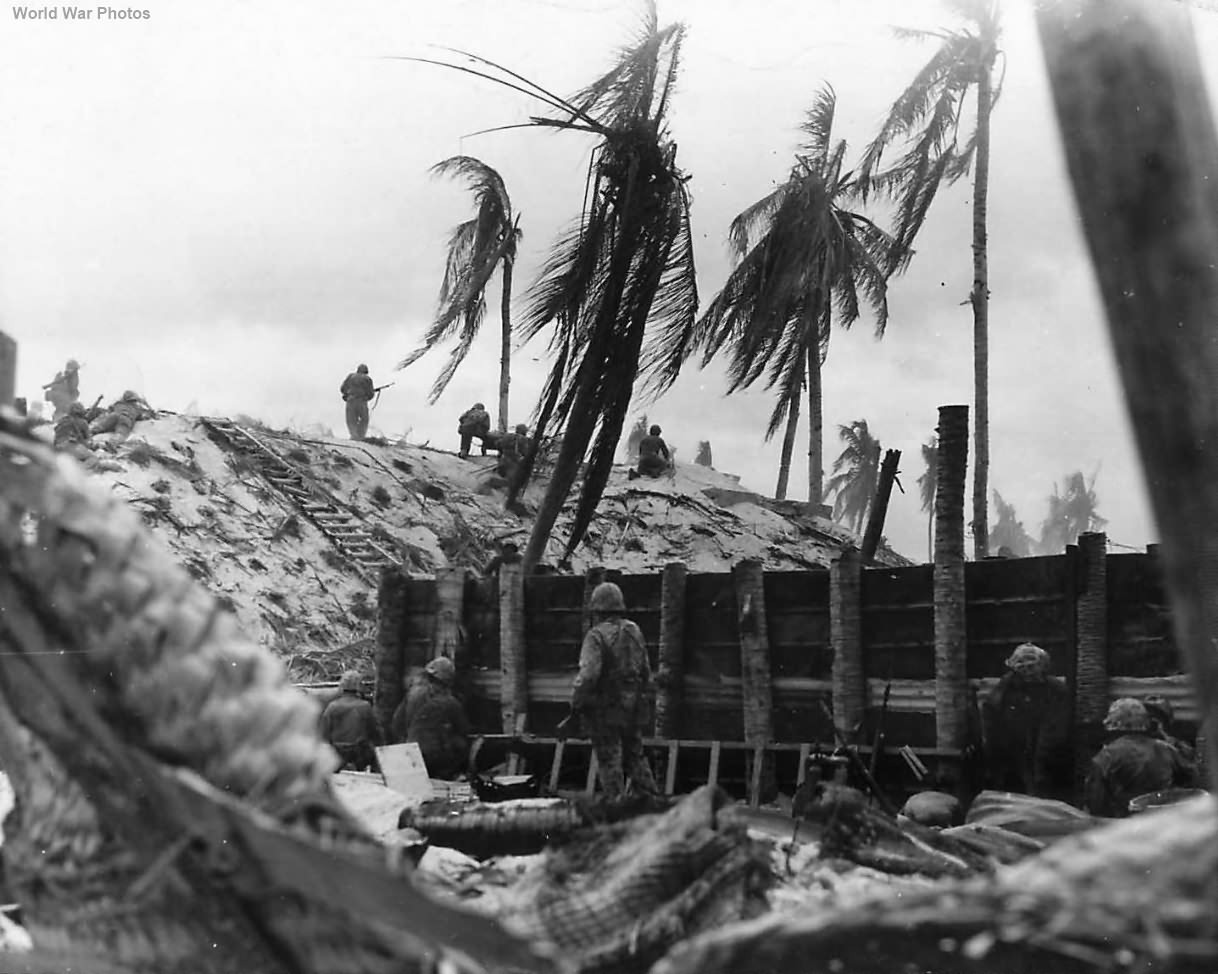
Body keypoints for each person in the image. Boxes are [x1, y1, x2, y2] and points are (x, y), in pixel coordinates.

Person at [571, 581, 658, 800]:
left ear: (597, 609)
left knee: (610, 760)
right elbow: (646, 671)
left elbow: (588, 676)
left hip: (605, 710)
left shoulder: (596, 636)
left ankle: (616, 807)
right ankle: (653, 804)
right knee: (636, 757)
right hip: (633, 707)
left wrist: (577, 702)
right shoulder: (634, 630)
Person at [980, 642, 1073, 800]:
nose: (1027, 672)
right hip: (1013, 755)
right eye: (1022, 667)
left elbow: (1058, 726)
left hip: (1048, 755)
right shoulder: (1006, 686)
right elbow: (990, 714)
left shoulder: (1056, 689)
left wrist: (1043, 755)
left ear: (1043, 666)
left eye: (1032, 667)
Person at [1085, 697, 1196, 818]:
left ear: (1113, 724)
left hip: (1123, 827)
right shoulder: (1166, 749)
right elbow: (1192, 781)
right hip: (1165, 821)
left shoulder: (1105, 757)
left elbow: (1096, 806)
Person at [391, 656, 471, 780]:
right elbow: (464, 730)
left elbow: (397, 723)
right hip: (436, 758)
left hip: (410, 752)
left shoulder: (412, 694)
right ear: (447, 681)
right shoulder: (448, 701)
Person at [319, 671, 382, 772]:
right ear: (359, 686)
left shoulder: (332, 707)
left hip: (337, 755)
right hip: (359, 755)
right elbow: (375, 734)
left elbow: (324, 735)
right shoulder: (365, 707)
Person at [1142, 694, 1196, 763]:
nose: (1152, 720)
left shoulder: (1182, 731)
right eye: (1149, 716)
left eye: (1156, 715)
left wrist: (1164, 735)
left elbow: (1190, 755)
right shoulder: (1142, 734)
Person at [340, 364, 375, 441]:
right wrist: (366, 396)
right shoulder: (367, 379)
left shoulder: (350, 377)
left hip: (350, 401)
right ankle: (360, 436)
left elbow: (342, 388)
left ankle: (354, 435)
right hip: (361, 402)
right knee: (364, 419)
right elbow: (371, 394)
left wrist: (347, 395)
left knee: (351, 419)